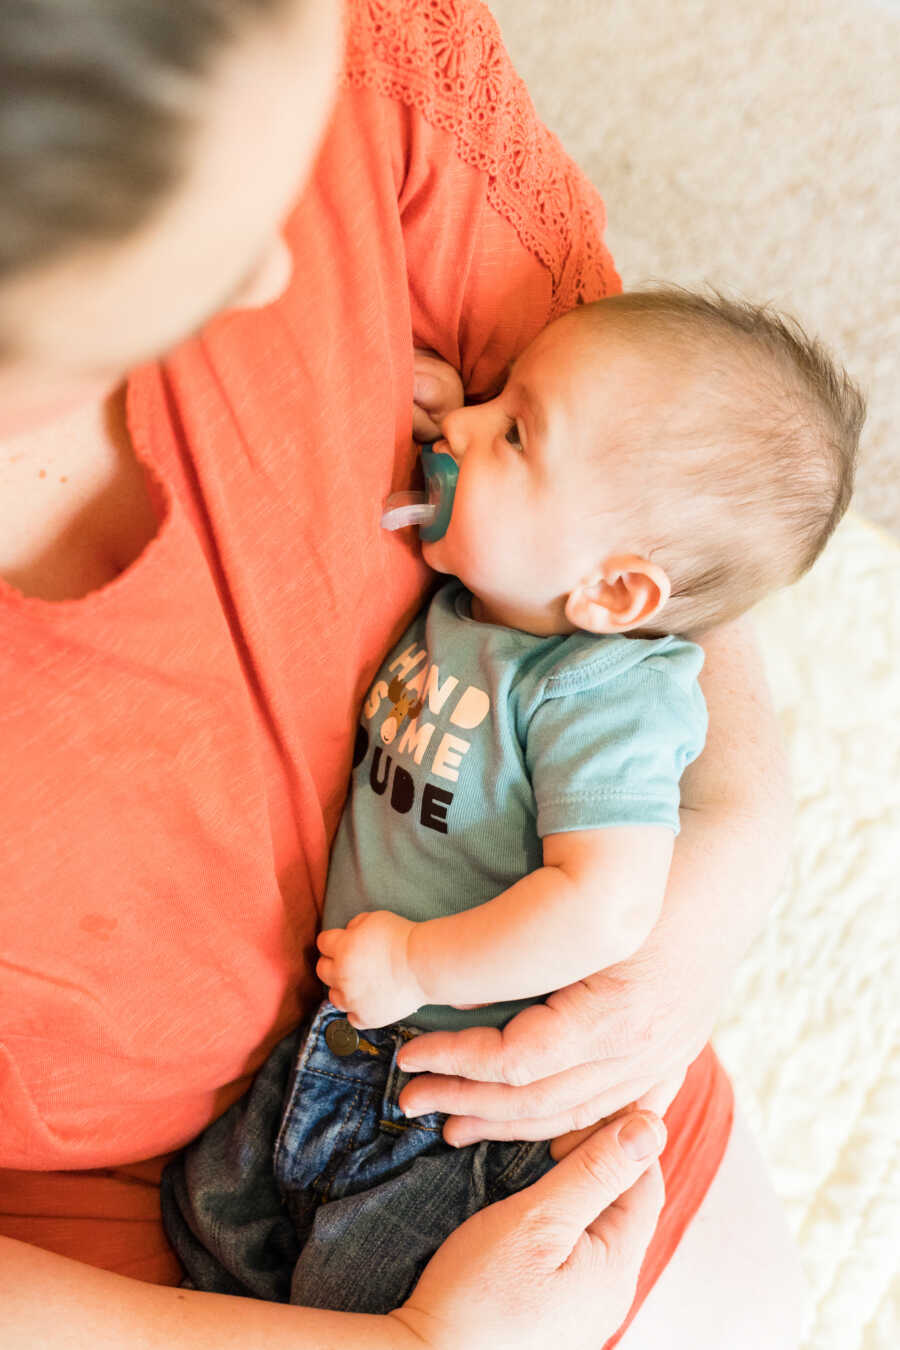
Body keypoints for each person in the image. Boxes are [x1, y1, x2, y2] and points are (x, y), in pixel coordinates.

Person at [0, 1, 804, 1347]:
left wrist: (711, 882)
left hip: (479, 1077)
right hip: (90, 1253)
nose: (277, 278)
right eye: (207, 232)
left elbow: (669, 486)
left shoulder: (357, 50)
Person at [161, 286, 862, 1314]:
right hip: (347, 1045)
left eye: (517, 431)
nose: (465, 423)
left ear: (615, 593)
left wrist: (417, 961)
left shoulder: (603, 698)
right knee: (210, 1240)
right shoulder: (489, 604)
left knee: (343, 1303)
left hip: (451, 1110)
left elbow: (604, 905)